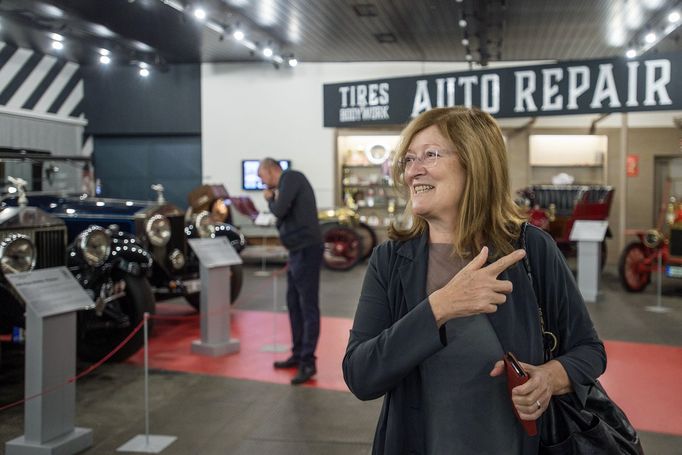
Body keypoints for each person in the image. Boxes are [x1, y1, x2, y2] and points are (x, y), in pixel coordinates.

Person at [342, 107, 606, 454]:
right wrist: (440, 307)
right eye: (408, 159)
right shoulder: (390, 260)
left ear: (475, 162)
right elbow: (361, 375)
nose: (413, 171)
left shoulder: (531, 250)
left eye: (430, 155)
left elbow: (589, 350)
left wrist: (549, 378)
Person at [258, 158, 324, 385]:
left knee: (308, 306)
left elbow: (279, 210)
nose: (261, 182)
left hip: (306, 249)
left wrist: (269, 199)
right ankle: (298, 354)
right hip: (297, 251)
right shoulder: (287, 182)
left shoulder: (291, 177)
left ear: (271, 170)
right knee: (294, 304)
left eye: (261, 176)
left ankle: (308, 361)